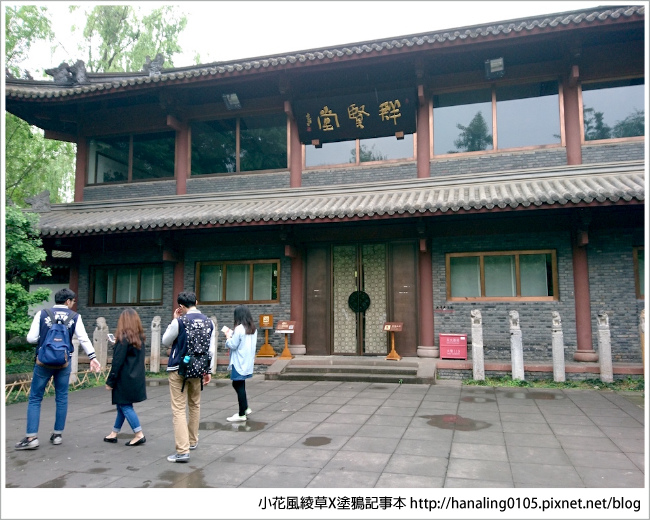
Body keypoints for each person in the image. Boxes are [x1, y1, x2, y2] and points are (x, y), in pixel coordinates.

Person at [15, 288, 101, 450]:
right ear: (68, 301)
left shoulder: (42, 314)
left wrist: (46, 340)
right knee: (61, 397)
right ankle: (57, 435)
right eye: (73, 301)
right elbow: (83, 339)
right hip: (63, 362)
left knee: (35, 398)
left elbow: (31, 338)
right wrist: (92, 358)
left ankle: (31, 437)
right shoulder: (75, 317)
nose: (73, 304)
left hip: (43, 362)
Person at [162, 291, 215, 463]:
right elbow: (211, 350)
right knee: (195, 404)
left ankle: (182, 451)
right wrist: (209, 371)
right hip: (199, 369)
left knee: (178, 409)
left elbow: (165, 341)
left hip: (179, 368)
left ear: (181, 307)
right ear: (197, 302)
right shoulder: (209, 322)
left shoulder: (180, 321)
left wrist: (174, 319)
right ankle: (192, 441)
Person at [103, 308, 147, 446]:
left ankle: (138, 433)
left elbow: (117, 362)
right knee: (122, 405)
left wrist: (110, 381)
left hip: (124, 378)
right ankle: (114, 433)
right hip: (136, 377)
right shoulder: (139, 338)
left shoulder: (122, 339)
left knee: (125, 406)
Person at [223, 305, 257, 422]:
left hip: (239, 361)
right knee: (239, 384)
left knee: (238, 384)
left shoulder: (239, 329)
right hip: (247, 361)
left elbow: (233, 344)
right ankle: (245, 408)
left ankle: (242, 413)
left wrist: (228, 338)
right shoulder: (252, 328)